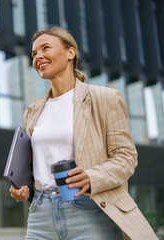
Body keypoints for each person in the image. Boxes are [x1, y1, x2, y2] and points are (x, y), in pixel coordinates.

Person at [9, 26, 158, 240]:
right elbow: (36, 167)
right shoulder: (33, 111)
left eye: (45, 48)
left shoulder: (105, 98)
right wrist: (24, 189)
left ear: (70, 53)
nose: (38, 56)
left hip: (89, 210)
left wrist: (92, 177)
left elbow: (126, 157)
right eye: (34, 53)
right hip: (41, 213)